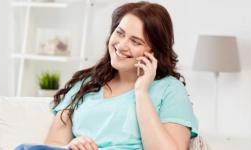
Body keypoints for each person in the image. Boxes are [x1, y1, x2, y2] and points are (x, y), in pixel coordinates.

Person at [35, 1, 198, 150]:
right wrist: (71, 145)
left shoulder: (171, 90)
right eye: (119, 33)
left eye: (136, 41)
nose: (121, 45)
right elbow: (52, 145)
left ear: (153, 52)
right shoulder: (87, 83)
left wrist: (141, 92)